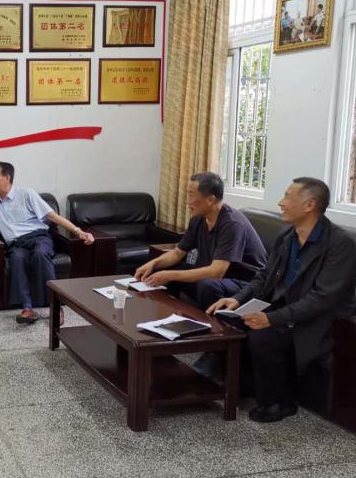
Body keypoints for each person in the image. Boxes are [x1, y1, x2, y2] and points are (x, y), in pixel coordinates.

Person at [208, 178, 356, 423]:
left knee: (263, 337)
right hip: (284, 307)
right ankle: (238, 383)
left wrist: (271, 319)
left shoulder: (341, 244)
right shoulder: (288, 235)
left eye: (288, 197)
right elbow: (264, 276)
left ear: (309, 205)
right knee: (226, 318)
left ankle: (278, 402)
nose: (280, 203)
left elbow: (322, 299)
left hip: (319, 320)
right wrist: (236, 299)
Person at [0, 161, 94, 324]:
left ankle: (56, 307)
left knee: (40, 254)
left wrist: (78, 231)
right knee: (17, 258)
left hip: (38, 237)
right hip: (16, 244)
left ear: (7, 177)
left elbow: (52, 216)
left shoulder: (26, 194)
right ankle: (27, 308)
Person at [135, 172, 267, 309]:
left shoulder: (232, 224)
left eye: (191, 195)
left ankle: (211, 323)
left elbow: (217, 272)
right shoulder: (198, 218)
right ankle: (172, 313)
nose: (187, 202)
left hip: (244, 283)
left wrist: (169, 275)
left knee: (206, 285)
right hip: (214, 276)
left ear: (210, 199)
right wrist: (153, 264)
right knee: (164, 268)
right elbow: (178, 253)